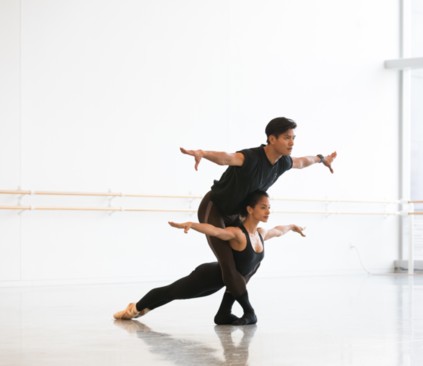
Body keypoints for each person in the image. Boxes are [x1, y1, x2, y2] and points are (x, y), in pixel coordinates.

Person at [180, 117, 336, 324]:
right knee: (228, 264)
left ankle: (223, 312)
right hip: (215, 207)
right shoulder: (251, 157)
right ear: (272, 139)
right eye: (286, 138)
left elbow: (301, 162)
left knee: (249, 261)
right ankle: (249, 312)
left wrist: (321, 158)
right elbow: (226, 158)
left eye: (293, 138)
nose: (291, 142)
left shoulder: (283, 162)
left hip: (237, 214)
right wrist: (202, 153)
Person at [113, 191, 305, 325]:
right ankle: (133, 309)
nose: (268, 211)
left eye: (269, 207)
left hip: (225, 283)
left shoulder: (261, 234)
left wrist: (293, 227)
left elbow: (278, 230)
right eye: (263, 207)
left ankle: (224, 315)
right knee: (170, 292)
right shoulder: (237, 233)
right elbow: (214, 230)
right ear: (249, 209)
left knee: (243, 276)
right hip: (206, 277)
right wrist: (192, 224)